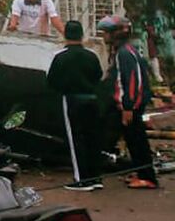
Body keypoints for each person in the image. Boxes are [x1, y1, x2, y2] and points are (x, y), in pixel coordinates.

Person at [100, 16, 157, 189]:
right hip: (129, 106)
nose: (103, 37)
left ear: (115, 34)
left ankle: (148, 177)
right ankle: (141, 172)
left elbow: (132, 81)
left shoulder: (124, 53)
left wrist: (128, 107)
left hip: (130, 107)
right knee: (133, 139)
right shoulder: (124, 51)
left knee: (137, 140)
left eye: (106, 33)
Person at [47, 20, 104, 191]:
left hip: (72, 100)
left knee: (75, 140)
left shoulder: (60, 57)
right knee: (93, 138)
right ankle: (96, 177)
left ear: (65, 35)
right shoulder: (92, 56)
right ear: (82, 35)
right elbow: (98, 76)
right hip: (92, 100)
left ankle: (81, 180)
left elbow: (52, 81)